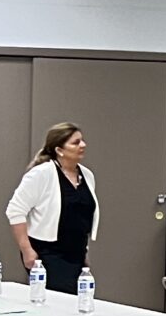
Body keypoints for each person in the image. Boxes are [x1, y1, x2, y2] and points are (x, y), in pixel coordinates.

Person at [6, 122, 99, 296]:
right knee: (58, 299)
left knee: (77, 300)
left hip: (76, 252)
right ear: (59, 150)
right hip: (48, 252)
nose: (83, 145)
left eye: (82, 141)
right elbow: (15, 211)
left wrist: (84, 252)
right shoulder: (42, 174)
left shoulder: (87, 175)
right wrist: (27, 250)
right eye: (76, 142)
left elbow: (81, 216)